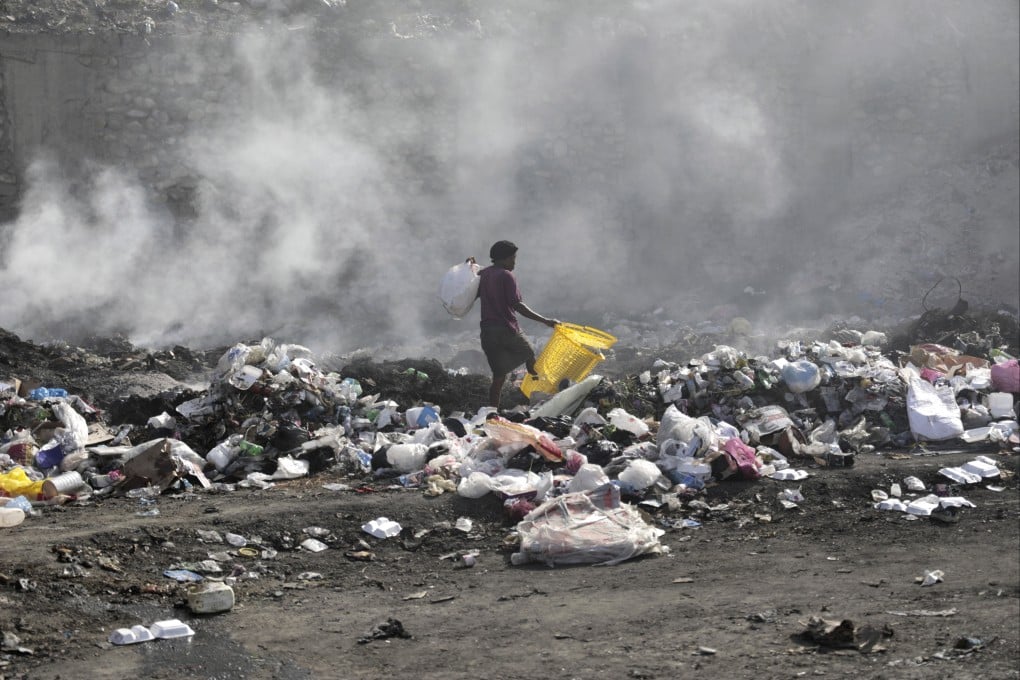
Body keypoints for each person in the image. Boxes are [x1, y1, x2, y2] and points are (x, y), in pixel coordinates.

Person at [476, 240, 559, 409]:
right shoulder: (506, 276)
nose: (514, 262)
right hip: (505, 328)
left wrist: (469, 264)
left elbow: (471, 280)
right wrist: (545, 321)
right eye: (512, 258)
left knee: (498, 377)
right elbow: (517, 305)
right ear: (504, 259)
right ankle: (536, 385)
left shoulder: (484, 275)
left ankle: (492, 412)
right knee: (529, 353)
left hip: (487, 332)